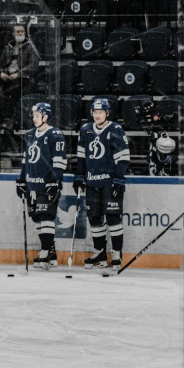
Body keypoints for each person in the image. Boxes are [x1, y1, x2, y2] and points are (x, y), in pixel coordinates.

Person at [74, 98, 130, 269]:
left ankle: (117, 253)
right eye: (95, 112)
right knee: (94, 218)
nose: (97, 115)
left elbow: (123, 157)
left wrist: (118, 180)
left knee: (113, 217)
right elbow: (81, 157)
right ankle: (100, 253)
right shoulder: (85, 130)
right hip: (92, 182)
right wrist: (79, 176)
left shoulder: (115, 129)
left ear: (107, 113)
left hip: (109, 182)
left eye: (100, 112)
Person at [15, 102, 66, 269]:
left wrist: (55, 182)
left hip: (47, 184)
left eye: (37, 116)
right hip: (32, 185)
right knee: (37, 218)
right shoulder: (30, 135)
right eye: (34, 116)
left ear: (46, 117)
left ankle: (44, 253)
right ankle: (51, 253)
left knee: (46, 217)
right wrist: (22, 180)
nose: (34, 118)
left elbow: (59, 162)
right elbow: (26, 161)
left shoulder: (55, 135)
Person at [0, 24, 40, 132]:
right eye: (18, 31)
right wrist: (2, 73)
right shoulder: (7, 48)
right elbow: (0, 64)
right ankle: (3, 120)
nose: (20, 33)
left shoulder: (30, 47)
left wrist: (18, 74)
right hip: (7, 79)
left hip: (24, 79)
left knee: (14, 91)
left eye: (22, 31)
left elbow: (33, 66)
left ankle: (11, 121)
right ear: (13, 33)